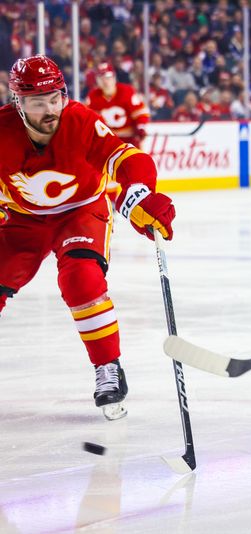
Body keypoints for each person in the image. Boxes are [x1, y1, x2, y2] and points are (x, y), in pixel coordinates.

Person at [0, 55, 176, 420]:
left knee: (81, 280)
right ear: (18, 103)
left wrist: (139, 194)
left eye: (54, 97)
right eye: (37, 102)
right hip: (22, 221)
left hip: (80, 211)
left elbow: (127, 159)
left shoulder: (79, 120)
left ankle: (108, 368)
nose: (50, 109)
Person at [86, 62, 151, 202]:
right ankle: (111, 203)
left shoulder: (127, 91)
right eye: (102, 78)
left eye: (108, 77)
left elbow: (140, 112)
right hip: (107, 142)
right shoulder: (93, 97)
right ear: (97, 81)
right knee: (106, 174)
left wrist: (141, 127)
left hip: (129, 140)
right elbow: (89, 120)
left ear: (114, 78)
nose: (106, 81)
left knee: (135, 173)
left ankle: (142, 202)